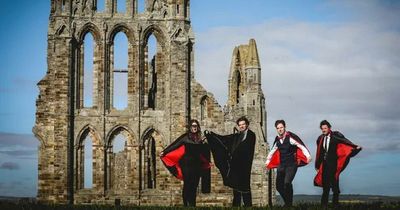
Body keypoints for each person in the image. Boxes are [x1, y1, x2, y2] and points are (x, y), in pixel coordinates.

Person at [205, 116, 256, 207]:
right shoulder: (237, 136)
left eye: (243, 124)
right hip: (235, 165)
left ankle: (248, 206)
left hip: (245, 166)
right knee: (235, 186)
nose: (241, 126)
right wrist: (212, 135)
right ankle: (236, 206)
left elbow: (246, 148)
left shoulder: (251, 135)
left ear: (247, 125)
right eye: (240, 125)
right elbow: (225, 139)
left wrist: (234, 153)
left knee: (244, 186)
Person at [160, 119, 210, 206]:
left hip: (197, 165)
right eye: (193, 126)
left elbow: (202, 151)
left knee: (195, 185)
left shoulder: (200, 138)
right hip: (186, 165)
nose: (195, 128)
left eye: (196, 126)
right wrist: (164, 151)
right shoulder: (185, 137)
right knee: (187, 184)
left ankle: (192, 204)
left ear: (198, 127)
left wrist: (204, 142)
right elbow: (175, 145)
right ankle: (185, 204)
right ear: (190, 127)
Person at [314, 120, 362, 206]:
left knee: (335, 184)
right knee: (325, 186)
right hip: (324, 164)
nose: (324, 130)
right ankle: (323, 205)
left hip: (334, 164)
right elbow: (319, 153)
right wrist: (317, 166)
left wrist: (354, 147)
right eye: (322, 129)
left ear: (329, 128)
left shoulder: (335, 136)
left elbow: (345, 141)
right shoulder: (320, 138)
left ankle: (335, 204)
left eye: (325, 128)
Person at [265, 120, 312, 207]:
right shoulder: (277, 140)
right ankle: (288, 202)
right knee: (278, 186)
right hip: (282, 165)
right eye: (278, 128)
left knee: (287, 183)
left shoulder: (290, 137)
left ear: (284, 127)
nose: (280, 129)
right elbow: (272, 150)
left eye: (281, 127)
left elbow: (300, 145)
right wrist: (267, 161)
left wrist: (308, 156)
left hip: (291, 164)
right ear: (276, 129)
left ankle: (288, 204)